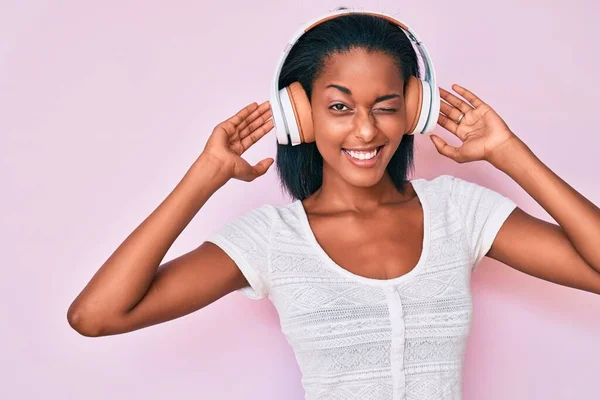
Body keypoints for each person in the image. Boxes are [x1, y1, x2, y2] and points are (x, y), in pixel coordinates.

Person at [67, 7, 600, 400]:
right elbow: (96, 315)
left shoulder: (457, 212)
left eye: (386, 107)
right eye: (339, 107)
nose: (366, 130)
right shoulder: (273, 238)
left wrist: (511, 155)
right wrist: (204, 176)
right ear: (299, 115)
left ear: (415, 109)